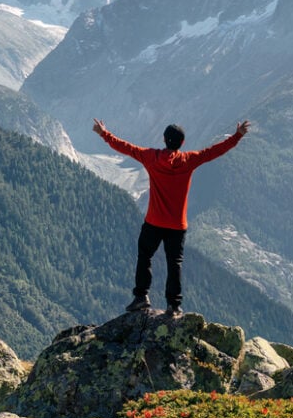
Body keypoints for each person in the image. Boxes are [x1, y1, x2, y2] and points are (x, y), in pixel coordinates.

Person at [92, 118, 250, 317]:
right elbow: (213, 152)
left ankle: (141, 297)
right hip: (177, 225)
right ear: (182, 143)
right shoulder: (189, 160)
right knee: (174, 263)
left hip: (154, 221)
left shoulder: (151, 157)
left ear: (164, 139)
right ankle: (174, 305)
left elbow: (126, 147)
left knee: (145, 257)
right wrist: (237, 136)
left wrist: (103, 133)